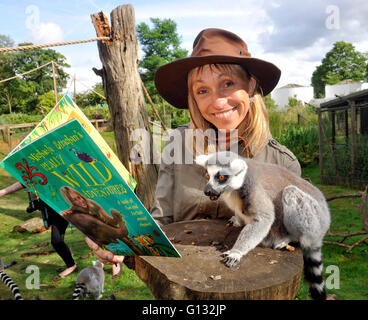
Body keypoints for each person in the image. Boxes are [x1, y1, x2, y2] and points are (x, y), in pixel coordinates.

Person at [86, 28, 301, 265]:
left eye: (228, 83)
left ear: (250, 86)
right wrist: (126, 242)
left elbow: (292, 240)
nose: (218, 102)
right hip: (180, 285)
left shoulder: (282, 162)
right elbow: (162, 219)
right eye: (202, 90)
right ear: (193, 98)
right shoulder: (177, 146)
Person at [0, 181, 77, 278]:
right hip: (49, 208)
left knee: (56, 240)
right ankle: (71, 264)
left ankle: (72, 266)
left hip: (61, 208)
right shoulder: (35, 174)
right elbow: (24, 181)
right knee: (57, 240)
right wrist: (3, 192)